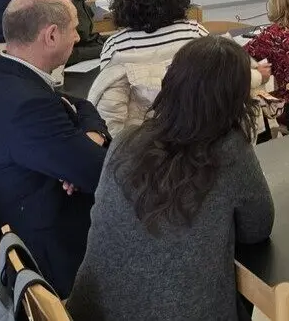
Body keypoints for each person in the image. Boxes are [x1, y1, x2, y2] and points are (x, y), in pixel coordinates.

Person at [67, 37, 274, 321]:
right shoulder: (230, 151)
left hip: (91, 311)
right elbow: (258, 228)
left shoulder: (126, 140)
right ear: (235, 98)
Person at [0, 0, 110, 297]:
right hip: (50, 248)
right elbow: (99, 173)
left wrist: (90, 135)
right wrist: (86, 150)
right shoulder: (27, 106)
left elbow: (80, 106)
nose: (78, 39)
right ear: (52, 35)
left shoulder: (0, 77)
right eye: (73, 30)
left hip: (19, 212)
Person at [86, 0, 214, 137]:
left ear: (124, 4)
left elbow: (110, 101)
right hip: (198, 129)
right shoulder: (195, 32)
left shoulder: (115, 45)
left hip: (143, 142)